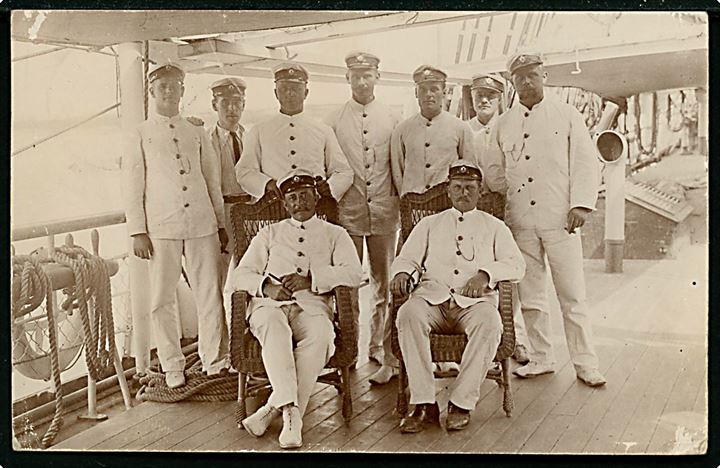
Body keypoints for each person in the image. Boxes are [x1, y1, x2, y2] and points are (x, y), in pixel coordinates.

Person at [483, 52, 606, 387]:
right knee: (532, 295)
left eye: (532, 74)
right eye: (519, 76)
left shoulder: (567, 115)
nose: (526, 81)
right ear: (512, 81)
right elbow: (494, 172)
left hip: (561, 219)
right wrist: (510, 198)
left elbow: (585, 162)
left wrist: (580, 204)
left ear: (544, 75)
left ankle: (585, 362)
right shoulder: (502, 124)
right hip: (520, 221)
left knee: (572, 295)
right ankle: (541, 357)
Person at [231, 169, 363, 449]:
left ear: (316, 198)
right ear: (285, 204)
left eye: (305, 195)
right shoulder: (269, 233)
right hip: (270, 307)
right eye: (292, 197)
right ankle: (292, 416)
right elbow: (240, 276)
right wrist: (266, 287)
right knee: (273, 328)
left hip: (312, 306)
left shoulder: (335, 234)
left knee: (321, 337)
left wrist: (313, 279)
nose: (299, 201)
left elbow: (353, 274)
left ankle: (272, 409)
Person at [391, 160, 525, 433]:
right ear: (448, 191)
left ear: (479, 193)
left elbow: (517, 264)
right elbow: (406, 257)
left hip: (474, 304)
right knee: (407, 313)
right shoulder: (430, 224)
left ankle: (461, 403)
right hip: (433, 300)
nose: (464, 193)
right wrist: (403, 273)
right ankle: (424, 403)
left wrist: (486, 274)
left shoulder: (495, 227)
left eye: (470, 188)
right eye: (458, 187)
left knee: (490, 322)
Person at [123, 62, 229, 389]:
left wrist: (220, 223)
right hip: (161, 228)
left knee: (211, 294)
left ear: (183, 90)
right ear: (152, 91)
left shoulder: (196, 132)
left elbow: (212, 180)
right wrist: (137, 230)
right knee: (160, 299)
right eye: (162, 86)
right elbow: (133, 184)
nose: (169, 91)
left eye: (175, 86)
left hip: (202, 224)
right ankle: (172, 366)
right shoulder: (138, 134)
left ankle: (215, 362)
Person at [324, 51, 400, 385]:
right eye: (356, 76)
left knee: (384, 284)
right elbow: (332, 167)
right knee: (349, 283)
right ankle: (350, 347)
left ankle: (380, 347)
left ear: (377, 77)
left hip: (384, 211)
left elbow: (397, 164)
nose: (362, 81)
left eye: (368, 75)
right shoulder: (335, 119)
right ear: (348, 79)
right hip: (349, 213)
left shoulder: (391, 117)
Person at [469, 73, 530, 365]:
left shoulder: (511, 127)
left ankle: (512, 336)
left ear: (501, 99)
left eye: (490, 96)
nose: (483, 100)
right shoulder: (463, 131)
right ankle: (478, 335)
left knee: (510, 276)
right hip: (473, 215)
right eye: (479, 95)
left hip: (506, 210)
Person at [235, 62, 353, 202]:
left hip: (315, 211)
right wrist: (266, 184)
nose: (289, 94)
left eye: (296, 89)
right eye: (283, 89)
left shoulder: (323, 130)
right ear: (275, 93)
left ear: (306, 93)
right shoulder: (258, 131)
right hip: (274, 211)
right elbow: (244, 171)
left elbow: (344, 171)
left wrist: (330, 187)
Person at [390, 65, 477, 198]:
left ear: (444, 92)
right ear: (416, 93)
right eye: (423, 90)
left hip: (446, 205)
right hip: (413, 206)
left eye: (434, 89)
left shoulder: (461, 128)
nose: (428, 94)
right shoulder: (402, 130)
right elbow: (398, 171)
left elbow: (469, 169)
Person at [207, 77, 248, 281]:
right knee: (219, 275)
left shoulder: (251, 138)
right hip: (222, 214)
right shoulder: (206, 141)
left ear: (244, 105)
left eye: (237, 103)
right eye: (225, 103)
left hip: (251, 211)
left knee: (252, 271)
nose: (231, 109)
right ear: (215, 105)